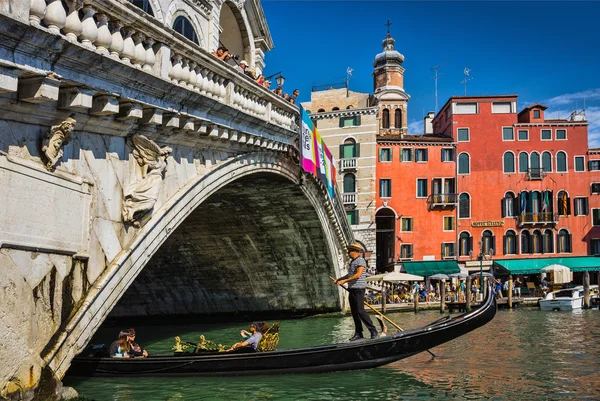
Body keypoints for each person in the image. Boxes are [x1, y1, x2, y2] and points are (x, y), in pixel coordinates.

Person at [334, 243, 378, 341]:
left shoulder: (361, 261)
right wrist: (339, 279)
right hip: (352, 289)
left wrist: (344, 281)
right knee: (354, 312)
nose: (348, 252)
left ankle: (373, 330)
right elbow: (350, 274)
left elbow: (358, 275)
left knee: (360, 311)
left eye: (350, 251)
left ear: (355, 251)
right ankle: (359, 333)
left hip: (359, 289)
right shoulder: (352, 262)